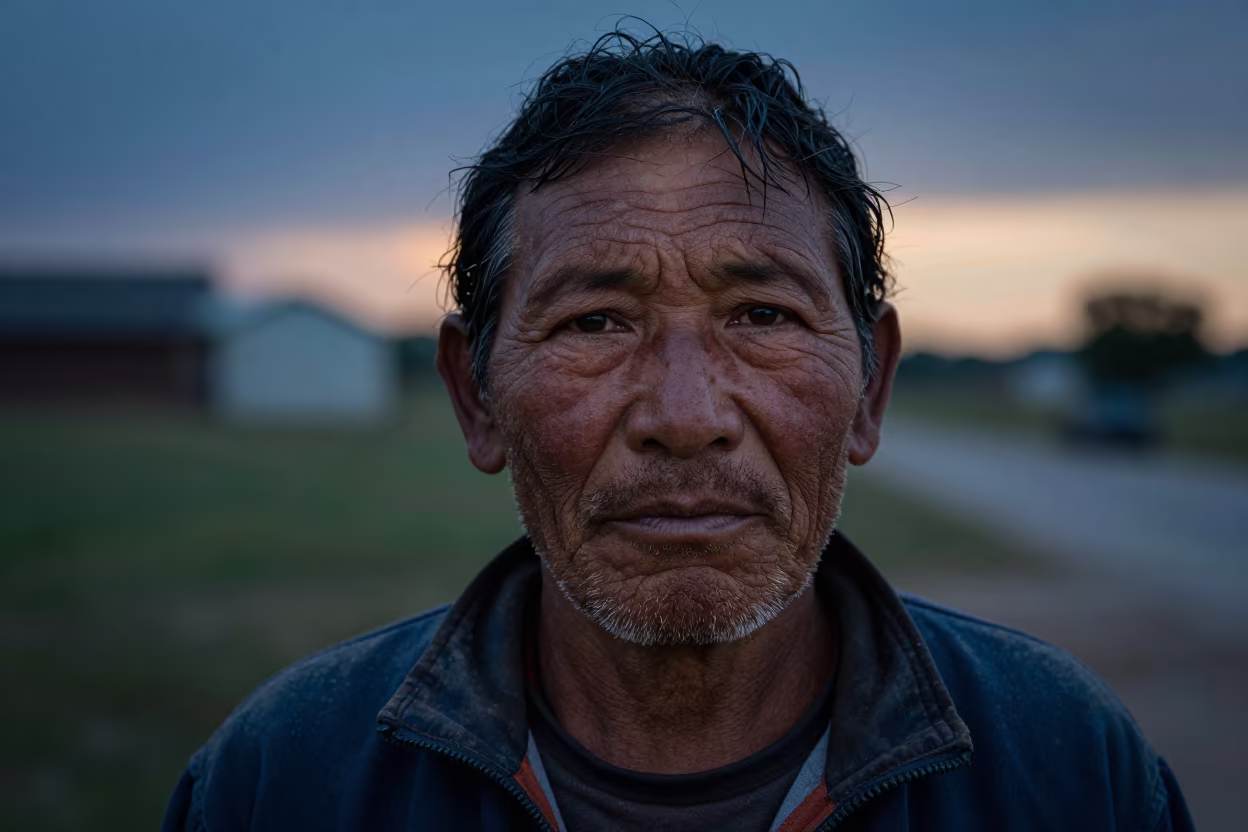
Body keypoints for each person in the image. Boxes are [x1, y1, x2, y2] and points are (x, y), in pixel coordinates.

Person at [163, 30, 1193, 831]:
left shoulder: (1067, 764)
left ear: (870, 388)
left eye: (763, 316)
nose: (687, 418)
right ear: (475, 398)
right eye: (595, 323)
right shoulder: (282, 777)